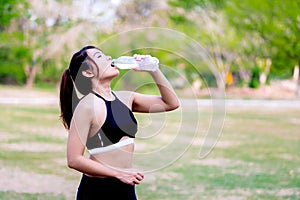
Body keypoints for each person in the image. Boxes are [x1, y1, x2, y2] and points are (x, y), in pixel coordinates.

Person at [59, 45, 180, 200]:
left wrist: (153, 69)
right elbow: (74, 159)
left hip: (125, 186)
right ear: (87, 72)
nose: (109, 57)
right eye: (99, 56)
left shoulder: (125, 98)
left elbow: (171, 103)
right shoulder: (87, 106)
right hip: (98, 190)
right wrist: (118, 173)